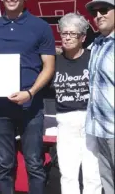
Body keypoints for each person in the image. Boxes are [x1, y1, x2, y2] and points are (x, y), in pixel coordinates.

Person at [0, 0, 56, 194]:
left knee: (34, 164)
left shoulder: (40, 27)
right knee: (5, 164)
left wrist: (30, 93)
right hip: (1, 107)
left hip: (31, 106)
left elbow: (48, 67)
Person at [52, 13, 102, 194]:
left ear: (82, 37)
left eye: (72, 34)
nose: (67, 37)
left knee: (92, 173)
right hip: (65, 121)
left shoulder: (93, 58)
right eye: (64, 33)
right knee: (68, 173)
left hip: (91, 120)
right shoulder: (54, 61)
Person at [85, 0, 114, 194]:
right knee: (107, 181)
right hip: (99, 128)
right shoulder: (96, 45)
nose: (99, 15)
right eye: (96, 12)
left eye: (105, 10)